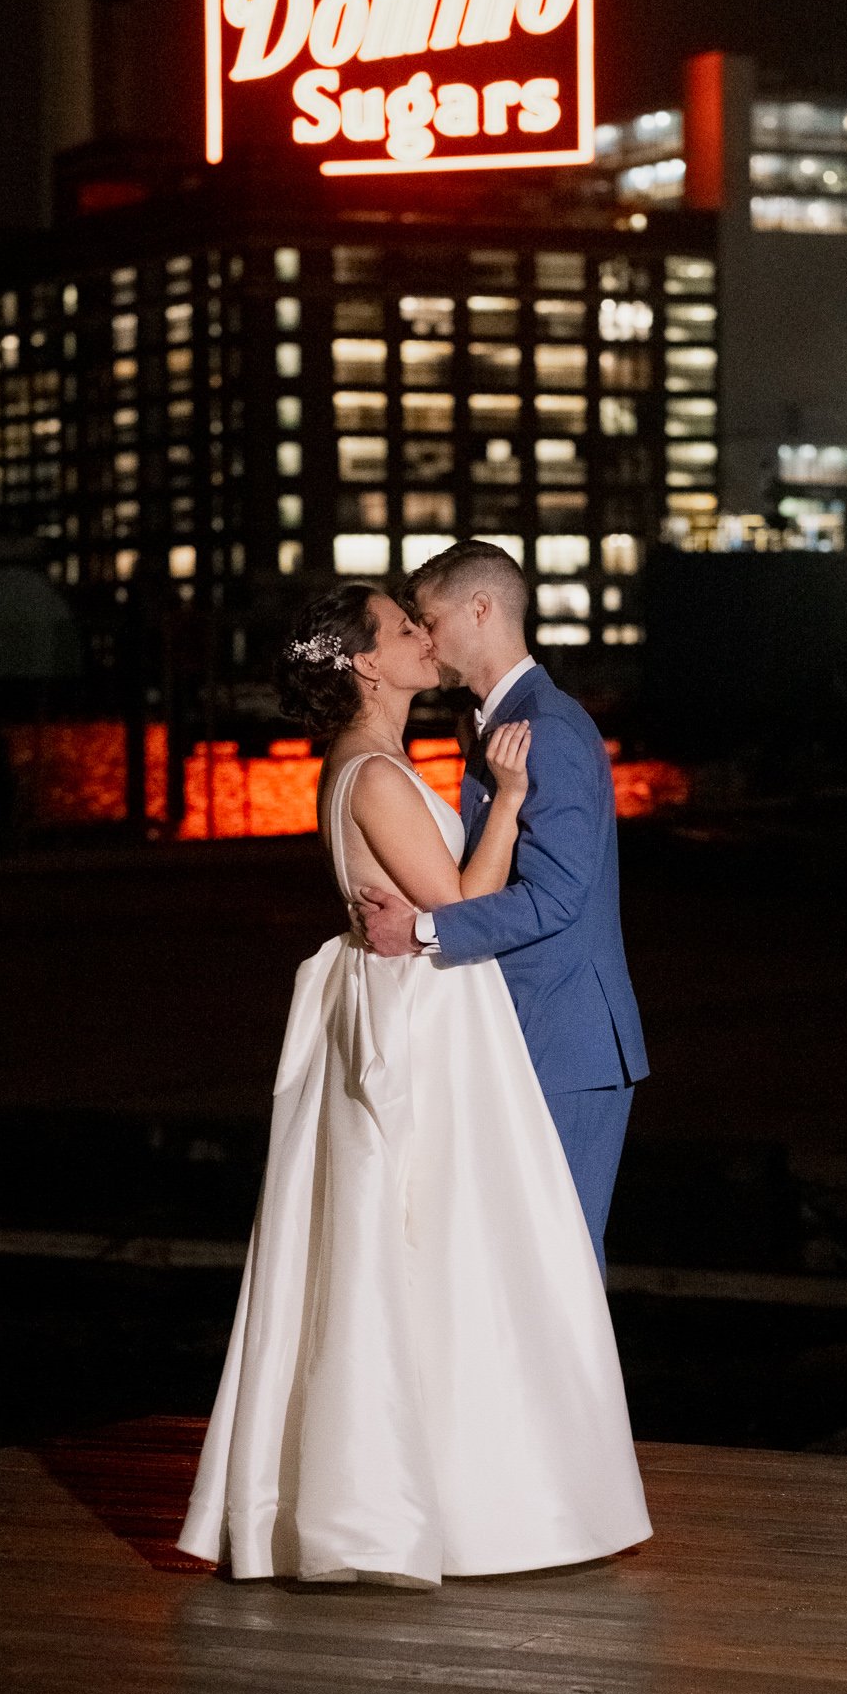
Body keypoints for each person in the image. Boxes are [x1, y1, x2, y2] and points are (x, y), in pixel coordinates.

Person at [177, 582, 650, 1586]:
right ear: (364, 663)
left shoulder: (371, 761)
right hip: (422, 1020)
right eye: (401, 630)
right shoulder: (376, 771)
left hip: (412, 1005)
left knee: (429, 1250)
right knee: (443, 1247)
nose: (419, 638)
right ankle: (467, 1492)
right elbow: (465, 897)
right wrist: (512, 801)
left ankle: (445, 1475)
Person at [359, 539, 647, 1276]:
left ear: (480, 609)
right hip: (525, 1034)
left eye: (429, 617)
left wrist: (421, 929)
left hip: (564, 1040)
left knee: (559, 1274)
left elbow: (557, 894)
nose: (423, 637)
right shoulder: (499, 726)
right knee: (517, 1272)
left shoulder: (544, 729)